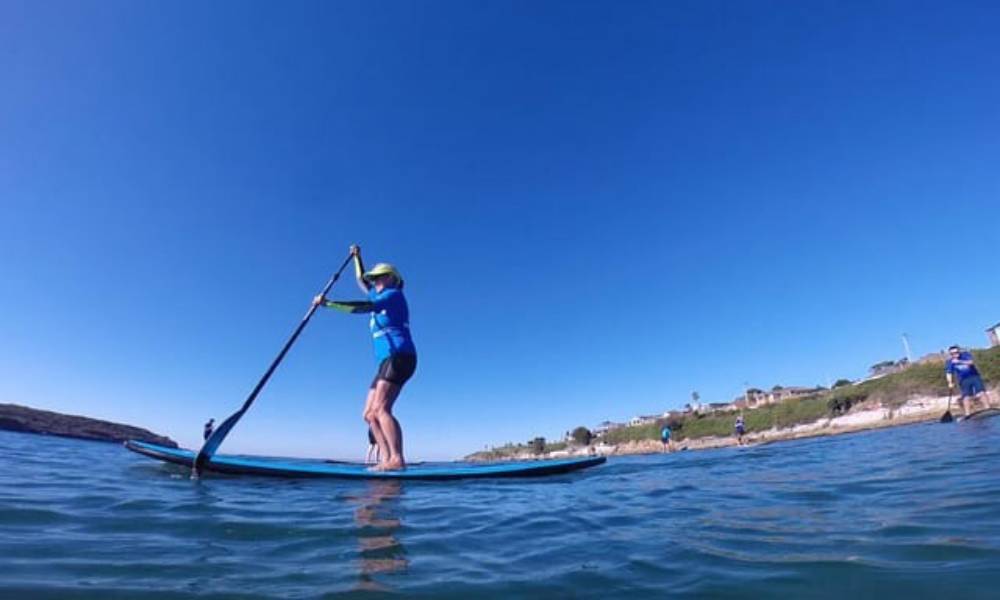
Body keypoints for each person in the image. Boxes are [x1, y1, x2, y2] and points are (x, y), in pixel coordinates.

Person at [314, 245, 417, 471]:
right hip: (386, 361)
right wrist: (357, 257)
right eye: (375, 279)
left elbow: (363, 307)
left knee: (381, 409)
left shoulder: (393, 295)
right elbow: (362, 279)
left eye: (379, 278)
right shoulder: (379, 291)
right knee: (369, 414)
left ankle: (397, 459)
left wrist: (329, 304)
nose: (375, 282)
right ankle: (385, 459)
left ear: (391, 278)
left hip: (400, 356)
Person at [945, 345, 994, 418]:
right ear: (950, 354)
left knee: (981, 392)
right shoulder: (950, 362)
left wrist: (959, 361)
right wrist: (950, 382)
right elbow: (949, 373)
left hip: (974, 376)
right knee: (966, 396)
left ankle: (988, 408)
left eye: (956, 352)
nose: (955, 354)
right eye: (952, 353)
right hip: (963, 380)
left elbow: (971, 362)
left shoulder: (965, 355)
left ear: (959, 351)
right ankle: (967, 414)